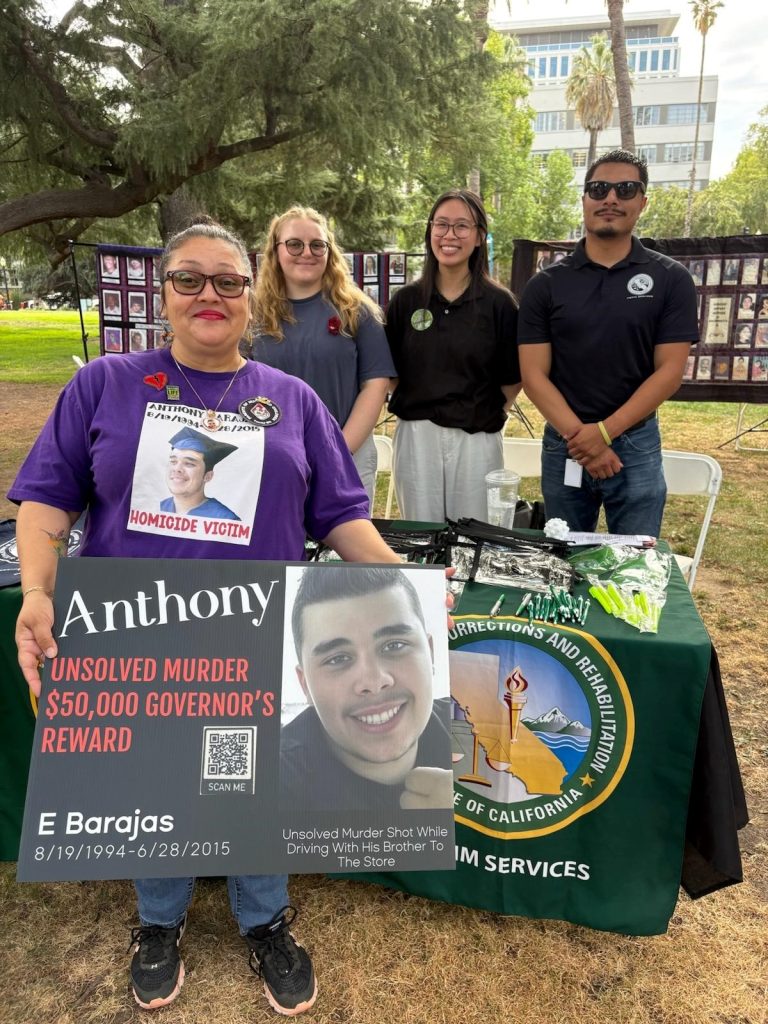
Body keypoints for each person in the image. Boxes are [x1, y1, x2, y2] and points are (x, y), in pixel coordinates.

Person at [10, 218, 406, 1018]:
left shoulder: (292, 402)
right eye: (189, 279)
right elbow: (48, 499)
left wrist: (410, 588)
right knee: (156, 783)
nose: (209, 295)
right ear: (162, 293)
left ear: (249, 297)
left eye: (227, 281)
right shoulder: (105, 385)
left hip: (253, 631)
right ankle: (158, 922)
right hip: (136, 635)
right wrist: (38, 592)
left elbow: (341, 518)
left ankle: (264, 918)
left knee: (248, 777)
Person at [518, 150, 698, 537]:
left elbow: (669, 372)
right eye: (599, 189)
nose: (611, 199)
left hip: (636, 444)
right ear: (584, 199)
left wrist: (604, 434)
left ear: (642, 202)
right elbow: (533, 376)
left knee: (633, 568)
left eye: (626, 189)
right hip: (565, 443)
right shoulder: (545, 284)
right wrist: (583, 440)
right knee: (561, 565)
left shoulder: (671, 279)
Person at [384, 188, 522, 522]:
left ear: (479, 237)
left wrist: (472, 411)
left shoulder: (499, 304)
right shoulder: (406, 301)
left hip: (476, 440)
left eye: (462, 226)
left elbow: (512, 380)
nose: (450, 235)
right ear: (430, 230)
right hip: (417, 437)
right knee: (422, 538)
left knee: (472, 540)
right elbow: (390, 375)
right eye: (441, 224)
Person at [251, 206, 395, 508]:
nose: (307, 252)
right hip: (271, 460)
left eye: (317, 245)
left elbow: (376, 386)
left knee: (342, 555)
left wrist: (334, 454)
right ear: (275, 251)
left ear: (330, 252)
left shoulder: (357, 312)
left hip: (347, 458)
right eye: (294, 244)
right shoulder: (252, 316)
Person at [281, 565, 452, 812]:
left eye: (394, 645)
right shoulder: (268, 786)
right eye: (337, 659)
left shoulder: (477, 735)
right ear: (305, 684)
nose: (373, 682)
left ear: (431, 654)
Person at [161, 426, 239, 519]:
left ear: (208, 476)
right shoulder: (158, 507)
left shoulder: (225, 519)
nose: (177, 468)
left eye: (189, 463)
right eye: (173, 462)